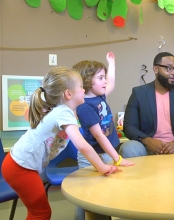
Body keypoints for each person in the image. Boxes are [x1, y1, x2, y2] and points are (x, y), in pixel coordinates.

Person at [1, 67, 120, 220]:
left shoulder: (65, 110)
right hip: (19, 167)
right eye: (81, 87)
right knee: (41, 213)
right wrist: (102, 167)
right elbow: (82, 146)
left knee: (38, 212)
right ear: (68, 94)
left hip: (20, 165)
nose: (84, 90)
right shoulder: (63, 112)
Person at [73, 52, 134, 220]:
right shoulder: (85, 106)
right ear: (87, 81)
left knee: (104, 190)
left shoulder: (100, 96)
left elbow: (112, 82)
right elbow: (99, 136)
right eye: (101, 77)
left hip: (106, 153)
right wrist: (118, 158)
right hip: (93, 156)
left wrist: (111, 64)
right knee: (87, 196)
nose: (105, 81)